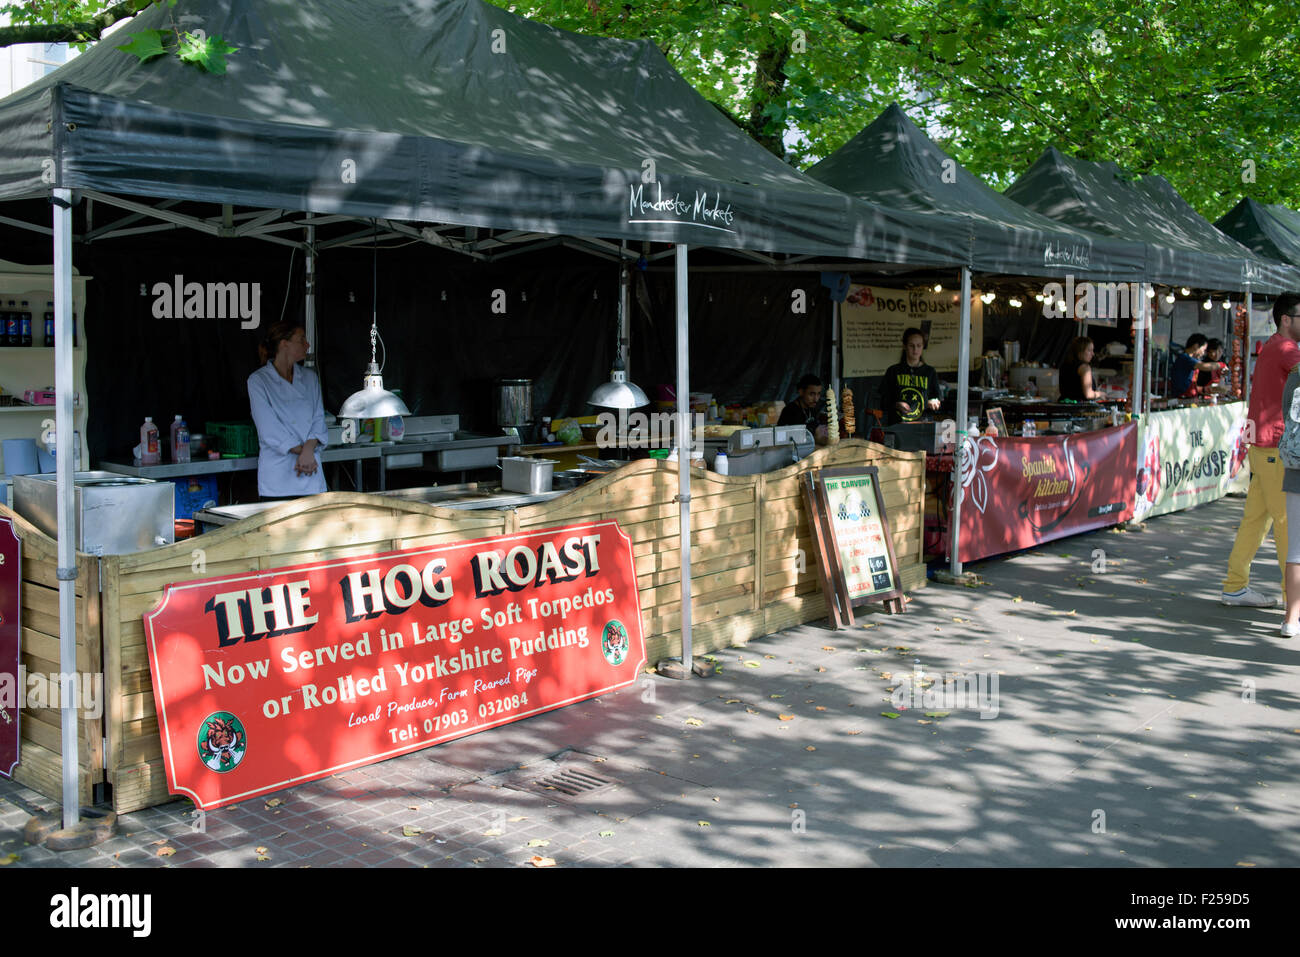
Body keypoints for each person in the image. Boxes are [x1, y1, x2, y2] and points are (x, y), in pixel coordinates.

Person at [1221, 294, 1300, 607]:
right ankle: (1293, 603)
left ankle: (1234, 585)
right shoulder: (1286, 349)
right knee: (1287, 523)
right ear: (1286, 319)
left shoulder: (1275, 345)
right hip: (1274, 447)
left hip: (1263, 445)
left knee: (1256, 520)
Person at [247, 321, 329, 500]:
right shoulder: (258, 381)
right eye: (301, 340)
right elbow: (269, 429)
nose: (307, 345)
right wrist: (304, 453)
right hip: (278, 479)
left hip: (311, 476)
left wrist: (308, 451)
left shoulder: (310, 378)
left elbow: (318, 419)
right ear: (284, 344)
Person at [880, 328, 942, 426]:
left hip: (923, 425)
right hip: (898, 425)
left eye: (919, 346)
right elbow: (882, 400)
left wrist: (934, 402)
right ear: (904, 346)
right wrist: (896, 404)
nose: (915, 350)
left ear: (923, 347)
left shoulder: (930, 372)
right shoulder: (893, 371)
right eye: (911, 345)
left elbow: (937, 399)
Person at [1282, 365, 1300, 637]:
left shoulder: (1296, 374)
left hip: (1296, 471)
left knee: (1296, 549)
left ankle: (1290, 619)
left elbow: (1286, 414)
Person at [777, 374, 829, 443]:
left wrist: (829, 440)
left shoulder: (812, 408)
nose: (816, 399)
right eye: (812, 394)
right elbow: (780, 439)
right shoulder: (790, 411)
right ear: (801, 392)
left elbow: (817, 434)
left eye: (818, 394)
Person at [1171, 334, 1223, 398]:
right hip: (1182, 397)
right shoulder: (1185, 358)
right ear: (1196, 346)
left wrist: (1205, 389)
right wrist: (1221, 365)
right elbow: (1203, 366)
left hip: (1190, 396)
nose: (1203, 353)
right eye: (1203, 350)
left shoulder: (1192, 360)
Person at [1057, 337, 1105, 402]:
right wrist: (1100, 394)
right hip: (1078, 406)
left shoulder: (1064, 365)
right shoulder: (1084, 368)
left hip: (1063, 404)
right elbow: (1088, 394)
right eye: (1089, 350)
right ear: (1080, 351)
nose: (1093, 354)